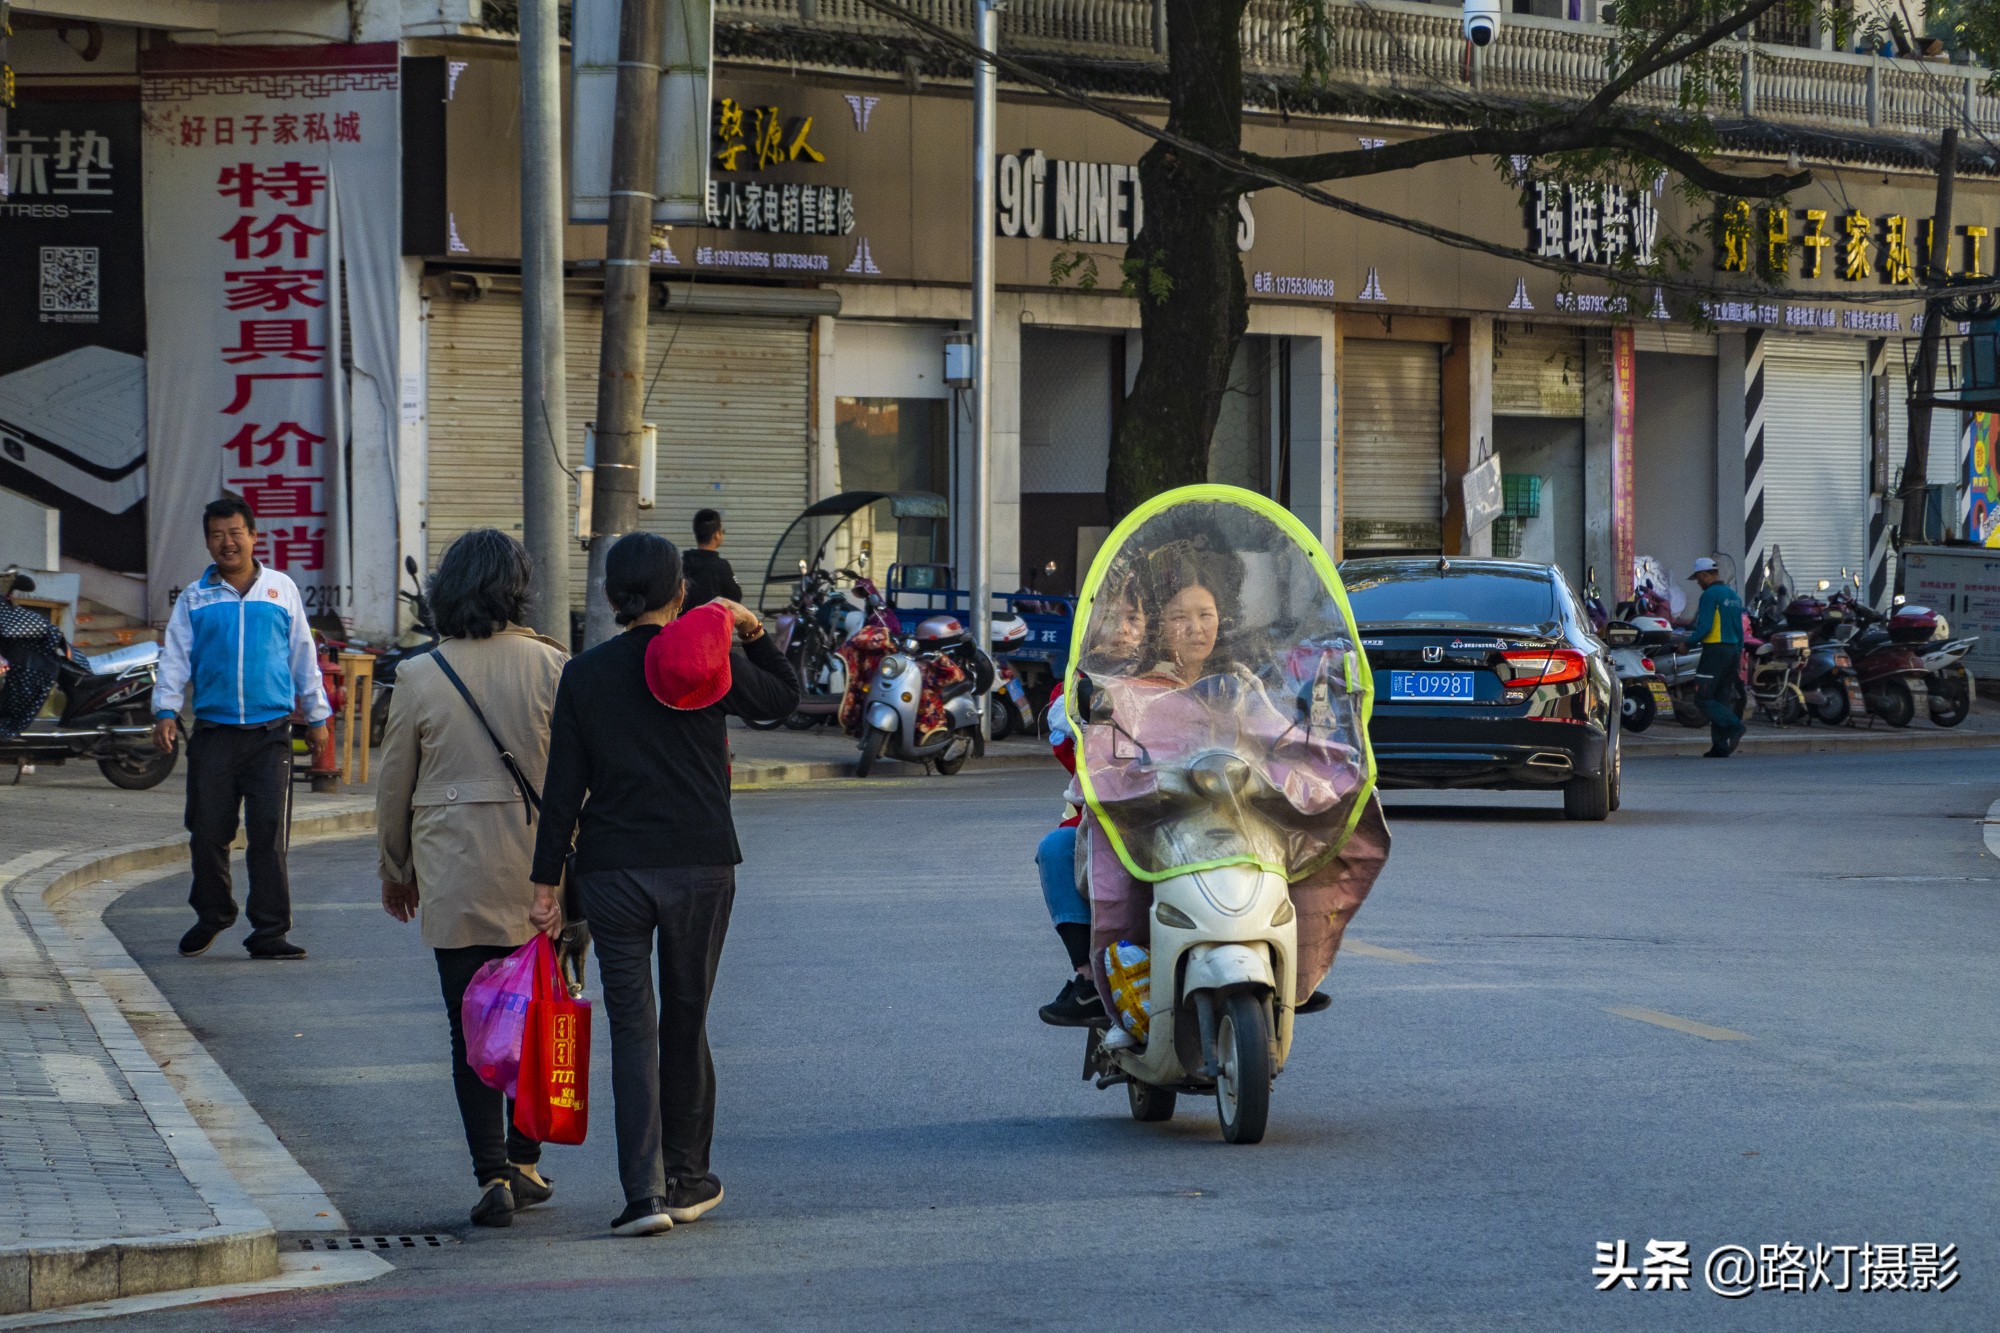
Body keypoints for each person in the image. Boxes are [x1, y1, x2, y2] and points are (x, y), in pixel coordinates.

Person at [528, 532, 797, 1238]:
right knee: (686, 1018)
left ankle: (641, 1195)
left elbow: (563, 790)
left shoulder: (583, 675)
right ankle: (688, 1178)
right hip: (701, 866)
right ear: (681, 593)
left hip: (613, 870)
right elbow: (785, 697)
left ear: (614, 599)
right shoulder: (703, 661)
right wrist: (754, 629)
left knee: (632, 1028)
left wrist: (544, 881)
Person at [374, 529, 567, 1228]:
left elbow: (395, 781)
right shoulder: (553, 666)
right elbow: (581, 781)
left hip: (453, 871)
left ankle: (492, 1172)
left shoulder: (421, 674)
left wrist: (397, 868)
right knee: (537, 1017)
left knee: (470, 1027)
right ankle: (524, 1158)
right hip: (537, 872)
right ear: (516, 589)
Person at [153, 496, 329, 961]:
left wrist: (317, 716)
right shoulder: (195, 597)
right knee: (207, 831)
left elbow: (302, 656)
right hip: (214, 733)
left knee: (268, 833)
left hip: (271, 734)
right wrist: (165, 711)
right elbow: (174, 659)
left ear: (254, 536)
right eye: (216, 535)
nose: (227, 543)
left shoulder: (280, 589)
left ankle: (269, 932)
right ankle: (213, 912)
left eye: (235, 533)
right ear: (208, 542)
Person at [1037, 586, 1149, 1028]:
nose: (1122, 629)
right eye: (1110, 618)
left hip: (1181, 807)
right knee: (1056, 849)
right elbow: (1070, 751)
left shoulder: (1171, 676)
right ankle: (1088, 979)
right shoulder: (1075, 686)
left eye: (1134, 619)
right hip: (1108, 815)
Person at [1685, 556, 1747, 758]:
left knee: (1702, 698)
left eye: (1698, 579)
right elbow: (1740, 628)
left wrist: (1687, 643)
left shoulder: (1710, 595)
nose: (1699, 583)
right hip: (1733, 651)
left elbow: (1704, 626)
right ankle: (1719, 747)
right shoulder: (1733, 595)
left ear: (1704, 575)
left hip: (1714, 651)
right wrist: (1738, 652)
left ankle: (1734, 726)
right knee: (1720, 698)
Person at [680, 509, 743, 609]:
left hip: (684, 623)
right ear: (716, 535)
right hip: (713, 623)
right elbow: (735, 597)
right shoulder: (721, 566)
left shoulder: (682, 564)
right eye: (722, 531)